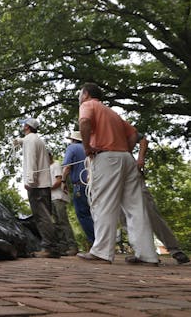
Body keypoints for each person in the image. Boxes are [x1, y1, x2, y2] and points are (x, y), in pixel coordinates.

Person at [76, 82, 158, 265]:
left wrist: (87, 147)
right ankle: (147, 255)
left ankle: (102, 252)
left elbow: (84, 122)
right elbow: (134, 134)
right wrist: (125, 151)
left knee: (103, 203)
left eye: (80, 94)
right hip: (126, 158)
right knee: (136, 208)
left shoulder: (87, 105)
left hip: (107, 158)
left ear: (86, 93)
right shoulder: (112, 112)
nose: (79, 97)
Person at [129, 133, 189, 264]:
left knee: (150, 211)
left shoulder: (116, 124)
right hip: (111, 174)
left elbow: (143, 140)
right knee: (123, 216)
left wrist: (140, 158)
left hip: (130, 172)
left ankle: (174, 249)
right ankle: (142, 252)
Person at [15, 118, 59, 258]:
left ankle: (49, 248)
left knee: (42, 217)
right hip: (44, 184)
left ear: (27, 126)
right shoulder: (37, 140)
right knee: (45, 215)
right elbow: (29, 145)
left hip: (37, 185)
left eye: (24, 124)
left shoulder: (29, 140)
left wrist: (30, 181)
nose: (22, 126)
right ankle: (51, 246)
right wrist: (19, 141)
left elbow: (31, 159)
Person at [61, 130, 95, 245]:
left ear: (73, 140)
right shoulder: (90, 149)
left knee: (83, 214)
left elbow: (67, 167)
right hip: (95, 185)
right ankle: (103, 243)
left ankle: (95, 242)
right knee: (96, 214)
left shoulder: (72, 148)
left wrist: (63, 181)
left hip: (80, 186)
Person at [49, 150, 79, 256]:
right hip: (52, 198)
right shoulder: (47, 168)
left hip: (58, 197)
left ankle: (72, 246)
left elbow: (58, 181)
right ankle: (63, 247)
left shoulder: (55, 165)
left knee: (63, 221)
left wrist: (46, 189)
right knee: (56, 223)